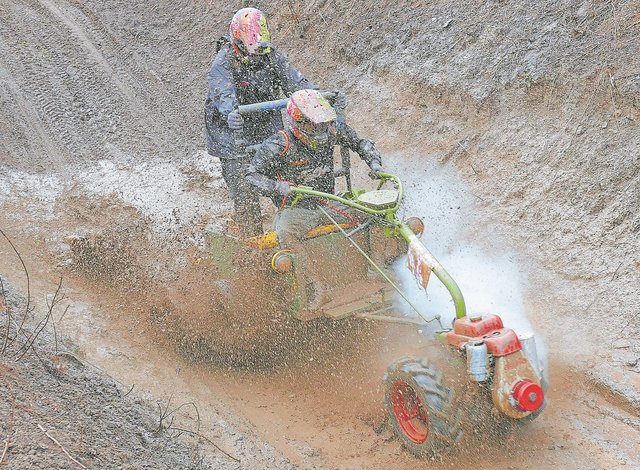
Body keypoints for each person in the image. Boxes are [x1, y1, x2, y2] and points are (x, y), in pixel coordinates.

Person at [246, 89, 383, 313]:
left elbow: (361, 143)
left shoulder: (331, 131)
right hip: (297, 207)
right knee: (285, 232)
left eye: (322, 124)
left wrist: (374, 164)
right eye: (312, 125)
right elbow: (251, 175)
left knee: (375, 212)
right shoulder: (280, 143)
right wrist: (277, 187)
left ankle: (376, 269)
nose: (319, 131)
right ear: (298, 122)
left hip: (328, 202)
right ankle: (316, 286)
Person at [204, 7, 317, 236]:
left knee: (287, 177)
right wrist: (230, 113)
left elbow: (296, 83)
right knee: (244, 186)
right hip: (230, 134)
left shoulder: (271, 56)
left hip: (264, 123)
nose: (259, 54)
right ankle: (251, 237)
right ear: (238, 38)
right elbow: (223, 95)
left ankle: (296, 226)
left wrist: (316, 98)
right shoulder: (223, 61)